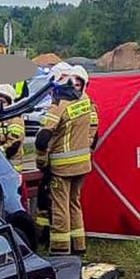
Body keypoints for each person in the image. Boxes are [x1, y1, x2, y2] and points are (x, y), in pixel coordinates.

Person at [35, 66, 94, 256]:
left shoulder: (59, 104)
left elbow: (43, 137)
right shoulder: (86, 101)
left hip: (62, 166)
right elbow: (93, 132)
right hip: (82, 165)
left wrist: (41, 161)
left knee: (60, 207)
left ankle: (60, 249)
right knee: (74, 204)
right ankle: (79, 246)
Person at [0, 84, 25, 167]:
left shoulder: (15, 118)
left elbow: (14, 143)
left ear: (10, 103)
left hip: (11, 166)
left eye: (3, 102)